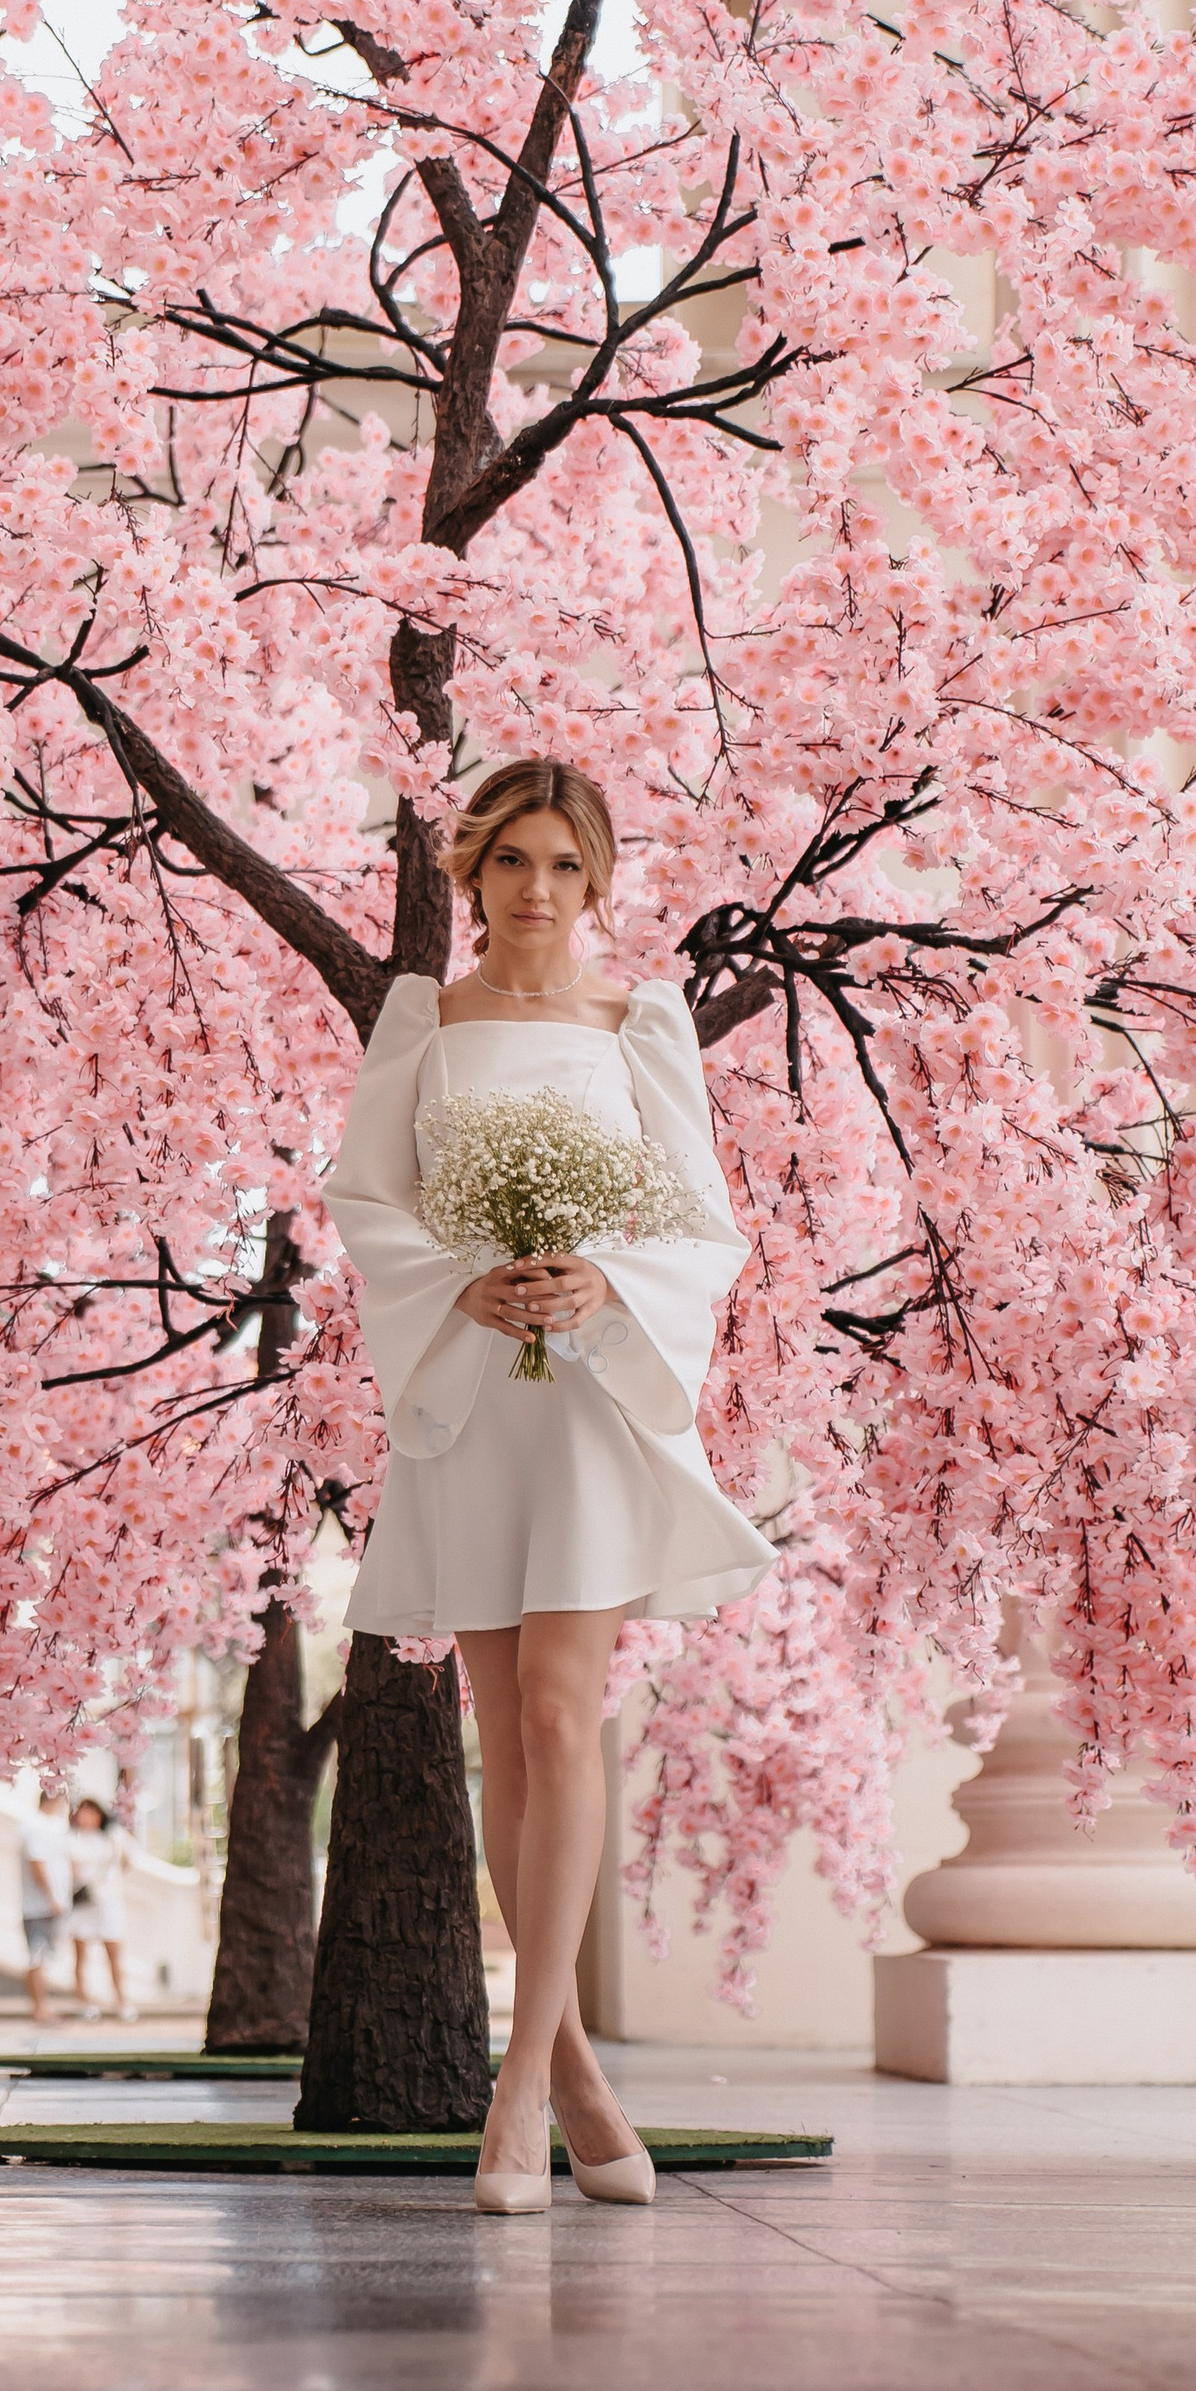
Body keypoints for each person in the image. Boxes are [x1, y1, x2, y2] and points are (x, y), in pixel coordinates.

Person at [327, 755, 775, 2212]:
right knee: (501, 1736)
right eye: (512, 860)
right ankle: (577, 2076)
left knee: (559, 1710)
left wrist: (602, 1279)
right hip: (471, 1393)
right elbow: (365, 1198)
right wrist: (461, 1294)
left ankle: (517, 2094)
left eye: (564, 865)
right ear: (474, 875)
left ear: (597, 880)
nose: (537, 890)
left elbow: (702, 1224)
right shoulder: (424, 1019)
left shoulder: (642, 1022)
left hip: (588, 1396)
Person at [61, 1795, 135, 2021]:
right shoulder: (70, 1839)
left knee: (113, 1953)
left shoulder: (112, 1837)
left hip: (107, 1901)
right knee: (81, 1955)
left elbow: (129, 1859)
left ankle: (122, 2000)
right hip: (83, 1904)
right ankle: (84, 2001)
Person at [19, 1800, 69, 2025]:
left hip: (45, 1906)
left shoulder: (50, 1826)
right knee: (37, 1957)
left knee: (42, 1957)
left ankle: (42, 2006)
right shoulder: (35, 1826)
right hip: (38, 1906)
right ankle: (39, 2007)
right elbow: (36, 1863)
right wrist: (51, 1897)